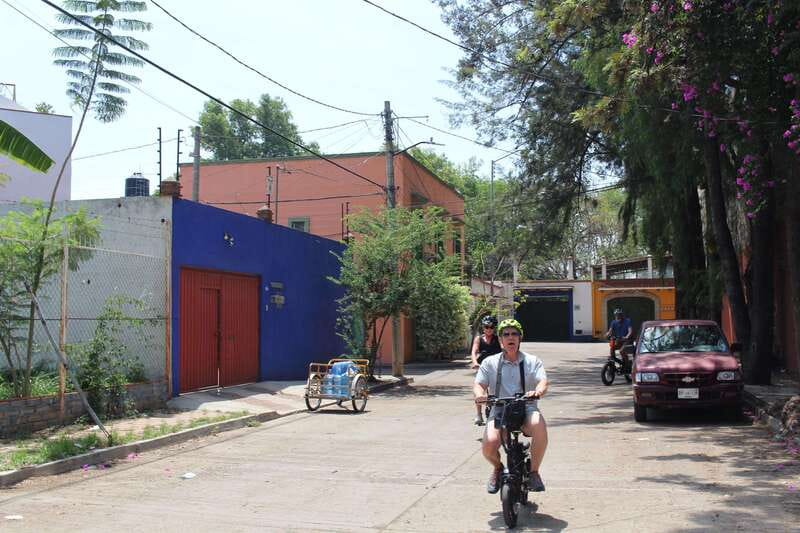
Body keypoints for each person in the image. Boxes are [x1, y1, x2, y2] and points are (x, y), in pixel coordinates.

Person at [474, 319, 549, 494]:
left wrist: (537, 391)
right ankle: (498, 469)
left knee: (539, 425)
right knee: (489, 446)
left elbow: (543, 381)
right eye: (506, 334)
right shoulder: (490, 362)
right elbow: (479, 384)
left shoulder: (532, 361)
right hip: (500, 408)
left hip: (526, 408)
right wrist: (480, 395)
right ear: (500, 339)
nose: (510, 337)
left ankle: (534, 472)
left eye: (514, 333)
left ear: (520, 337)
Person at [470, 315, 501, 426]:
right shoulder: (478, 339)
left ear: (494, 328)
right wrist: (475, 362)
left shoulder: (498, 339)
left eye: (491, 327)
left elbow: (504, 350)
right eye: (486, 327)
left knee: (497, 389)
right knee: (479, 389)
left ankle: (498, 410)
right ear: (483, 327)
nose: (488, 329)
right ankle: (479, 414)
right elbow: (474, 352)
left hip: (496, 367)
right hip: (482, 367)